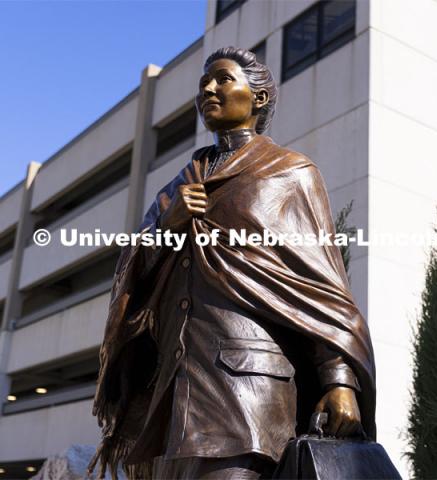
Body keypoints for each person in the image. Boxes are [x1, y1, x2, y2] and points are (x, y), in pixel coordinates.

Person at [88, 47, 376, 480]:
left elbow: (322, 288)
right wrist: (168, 224)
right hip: (170, 402)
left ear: (258, 99)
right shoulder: (176, 187)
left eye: (222, 79)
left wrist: (339, 380)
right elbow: (133, 272)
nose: (207, 88)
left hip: (248, 397)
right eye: (203, 83)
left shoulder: (290, 172)